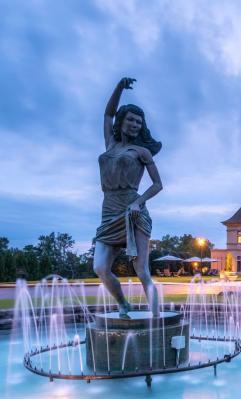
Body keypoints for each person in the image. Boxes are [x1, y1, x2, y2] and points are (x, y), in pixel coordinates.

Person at [93, 77, 163, 318]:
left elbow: (158, 184)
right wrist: (119, 88)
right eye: (131, 120)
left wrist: (138, 202)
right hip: (109, 210)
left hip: (134, 212)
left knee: (141, 270)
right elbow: (107, 114)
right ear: (122, 121)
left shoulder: (142, 151)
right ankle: (123, 303)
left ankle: (157, 321)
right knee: (100, 267)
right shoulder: (110, 144)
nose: (134, 124)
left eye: (138, 122)